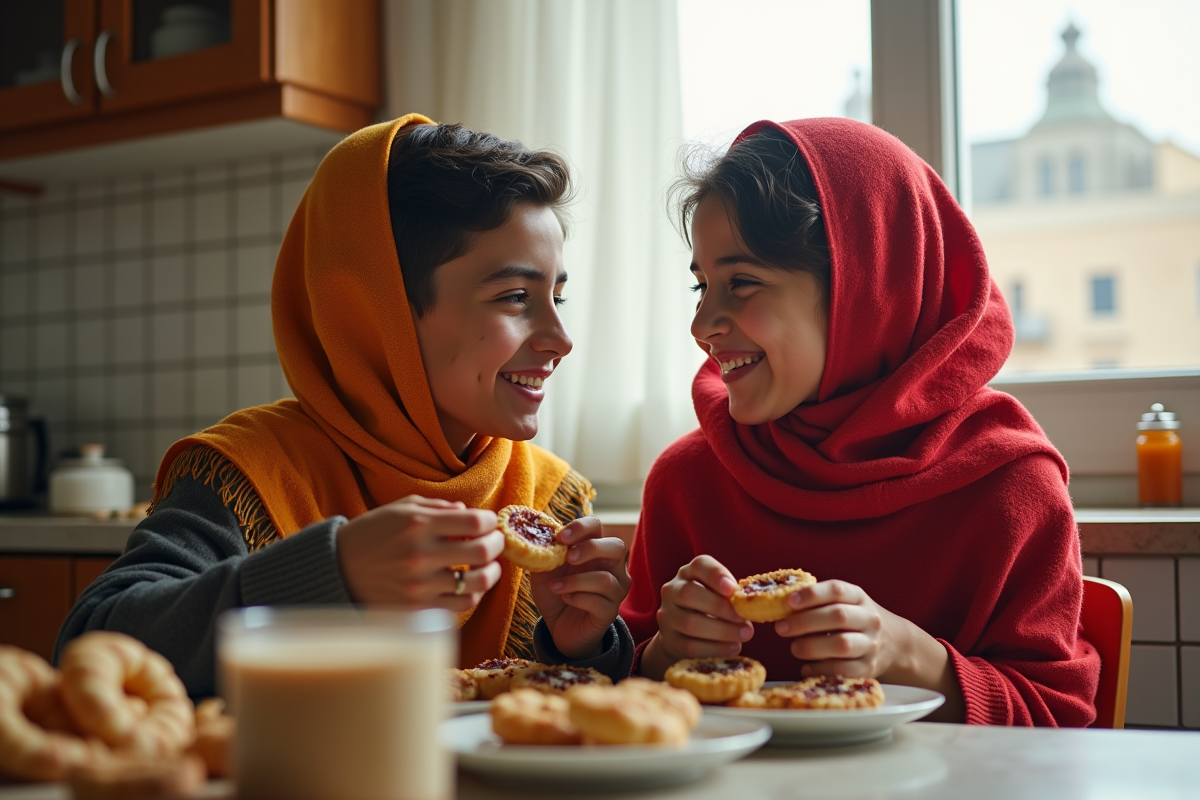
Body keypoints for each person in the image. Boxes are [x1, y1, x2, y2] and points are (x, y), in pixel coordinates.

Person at [57, 115, 633, 696]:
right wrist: (331, 573)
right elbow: (90, 647)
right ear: (377, 313)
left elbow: (563, 724)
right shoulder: (250, 474)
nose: (561, 339)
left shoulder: (549, 496)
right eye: (514, 297)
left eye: (556, 296)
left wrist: (578, 646)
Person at [620, 118, 1100, 726]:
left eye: (741, 283)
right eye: (702, 286)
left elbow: (1060, 720)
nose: (702, 323)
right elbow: (621, 691)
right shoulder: (687, 481)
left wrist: (911, 656)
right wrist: (664, 654)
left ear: (868, 290)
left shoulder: (1011, 486)